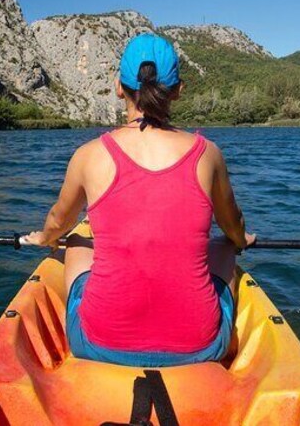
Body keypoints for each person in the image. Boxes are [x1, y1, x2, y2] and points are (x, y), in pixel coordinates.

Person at [22, 33, 255, 367]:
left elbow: (59, 220)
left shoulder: (88, 155)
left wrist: (46, 238)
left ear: (119, 87)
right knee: (223, 247)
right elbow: (234, 225)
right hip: (199, 347)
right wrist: (239, 240)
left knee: (75, 240)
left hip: (97, 342)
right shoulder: (209, 154)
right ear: (178, 90)